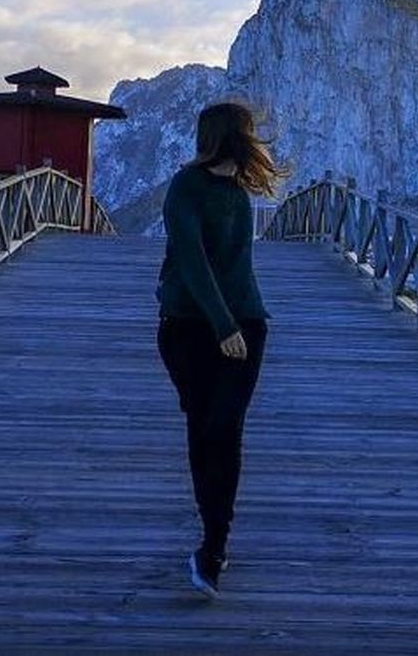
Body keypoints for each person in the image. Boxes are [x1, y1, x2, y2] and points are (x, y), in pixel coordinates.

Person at [156, 101, 284, 599]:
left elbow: (233, 267)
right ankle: (212, 537)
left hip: (246, 326)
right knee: (202, 429)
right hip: (190, 328)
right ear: (233, 136)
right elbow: (191, 260)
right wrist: (222, 324)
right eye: (248, 133)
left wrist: (236, 325)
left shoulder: (237, 192)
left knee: (224, 429)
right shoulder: (186, 187)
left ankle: (214, 545)